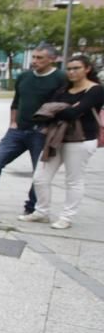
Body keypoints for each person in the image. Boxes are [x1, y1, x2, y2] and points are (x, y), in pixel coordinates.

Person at [0, 42, 66, 213]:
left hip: (41, 132)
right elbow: (16, 102)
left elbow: (63, 104)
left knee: (39, 172)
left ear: (52, 59)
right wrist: (13, 123)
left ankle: (32, 206)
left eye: (40, 58)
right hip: (18, 130)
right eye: (33, 57)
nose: (35, 61)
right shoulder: (25, 77)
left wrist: (49, 128)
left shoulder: (60, 78)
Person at [19, 54, 103, 229]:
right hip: (56, 137)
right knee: (40, 178)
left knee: (74, 180)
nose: (71, 72)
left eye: (76, 68)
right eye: (69, 68)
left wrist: (60, 110)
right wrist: (64, 110)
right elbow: (45, 110)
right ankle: (42, 212)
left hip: (81, 139)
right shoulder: (63, 90)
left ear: (87, 69)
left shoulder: (95, 90)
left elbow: (74, 112)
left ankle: (67, 216)